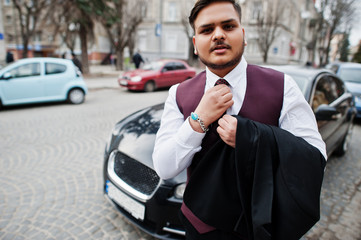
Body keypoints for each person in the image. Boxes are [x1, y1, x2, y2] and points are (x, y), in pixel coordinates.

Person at [152, 0, 327, 239]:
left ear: (243, 35)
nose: (218, 35)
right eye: (206, 30)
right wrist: (198, 120)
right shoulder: (178, 93)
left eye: (228, 26)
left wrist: (252, 137)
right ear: (195, 44)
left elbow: (314, 157)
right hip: (199, 228)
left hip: (261, 228)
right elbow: (164, 166)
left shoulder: (283, 86)